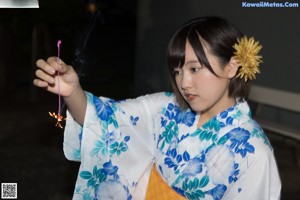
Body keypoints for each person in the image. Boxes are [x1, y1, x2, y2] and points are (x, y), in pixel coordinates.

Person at [34, 16, 281, 200]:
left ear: (232, 67)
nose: (184, 83)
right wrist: (73, 92)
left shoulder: (255, 152)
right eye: (178, 71)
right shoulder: (166, 108)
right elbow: (106, 119)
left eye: (195, 69)